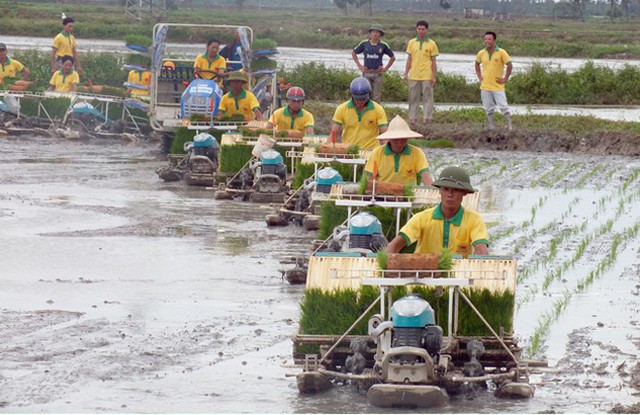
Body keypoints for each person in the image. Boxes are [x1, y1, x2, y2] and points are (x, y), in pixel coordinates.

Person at [386, 166, 489, 257]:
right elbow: (393, 246)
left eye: (456, 190)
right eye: (446, 189)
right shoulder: (422, 218)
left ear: (464, 193)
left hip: (457, 275)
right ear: (440, 191)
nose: (450, 194)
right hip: (423, 275)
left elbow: (481, 251)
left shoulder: (474, 220)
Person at [364, 115, 432, 186]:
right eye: (396, 139)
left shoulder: (417, 153)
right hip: (382, 194)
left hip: (408, 194)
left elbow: (426, 176)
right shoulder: (377, 153)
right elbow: (368, 178)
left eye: (403, 139)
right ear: (389, 138)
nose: (399, 143)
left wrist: (433, 192)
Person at [331, 77, 388, 150]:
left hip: (371, 151)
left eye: (362, 99)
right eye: (357, 99)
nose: (359, 102)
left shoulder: (378, 109)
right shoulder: (342, 109)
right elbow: (333, 133)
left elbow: (385, 135)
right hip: (349, 151)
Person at [475, 31, 513, 130]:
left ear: (494, 40)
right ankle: (491, 127)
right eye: (485, 39)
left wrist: (505, 78)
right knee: (488, 108)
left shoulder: (501, 52)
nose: (487, 41)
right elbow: (476, 64)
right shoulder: (481, 53)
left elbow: (509, 65)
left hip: (497, 86)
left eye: (489, 39)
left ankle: (509, 127)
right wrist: (479, 77)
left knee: (504, 107)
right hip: (485, 86)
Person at [404, 20, 438, 129]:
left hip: (427, 75)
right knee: (413, 98)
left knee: (427, 97)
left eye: (423, 29)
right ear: (416, 29)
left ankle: (426, 118)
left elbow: (433, 61)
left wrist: (433, 76)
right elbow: (409, 59)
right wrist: (405, 73)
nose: (421, 31)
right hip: (414, 75)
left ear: (426, 30)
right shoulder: (412, 43)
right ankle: (413, 119)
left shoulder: (431, 43)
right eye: (419, 29)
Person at [351, 24, 395, 103]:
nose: (375, 34)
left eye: (377, 32)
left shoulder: (383, 45)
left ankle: (376, 112)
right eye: (373, 32)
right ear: (370, 33)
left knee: (376, 96)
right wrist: (360, 66)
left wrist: (385, 68)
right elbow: (354, 53)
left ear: (380, 34)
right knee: (365, 94)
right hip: (366, 73)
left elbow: (392, 58)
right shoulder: (364, 43)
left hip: (377, 74)